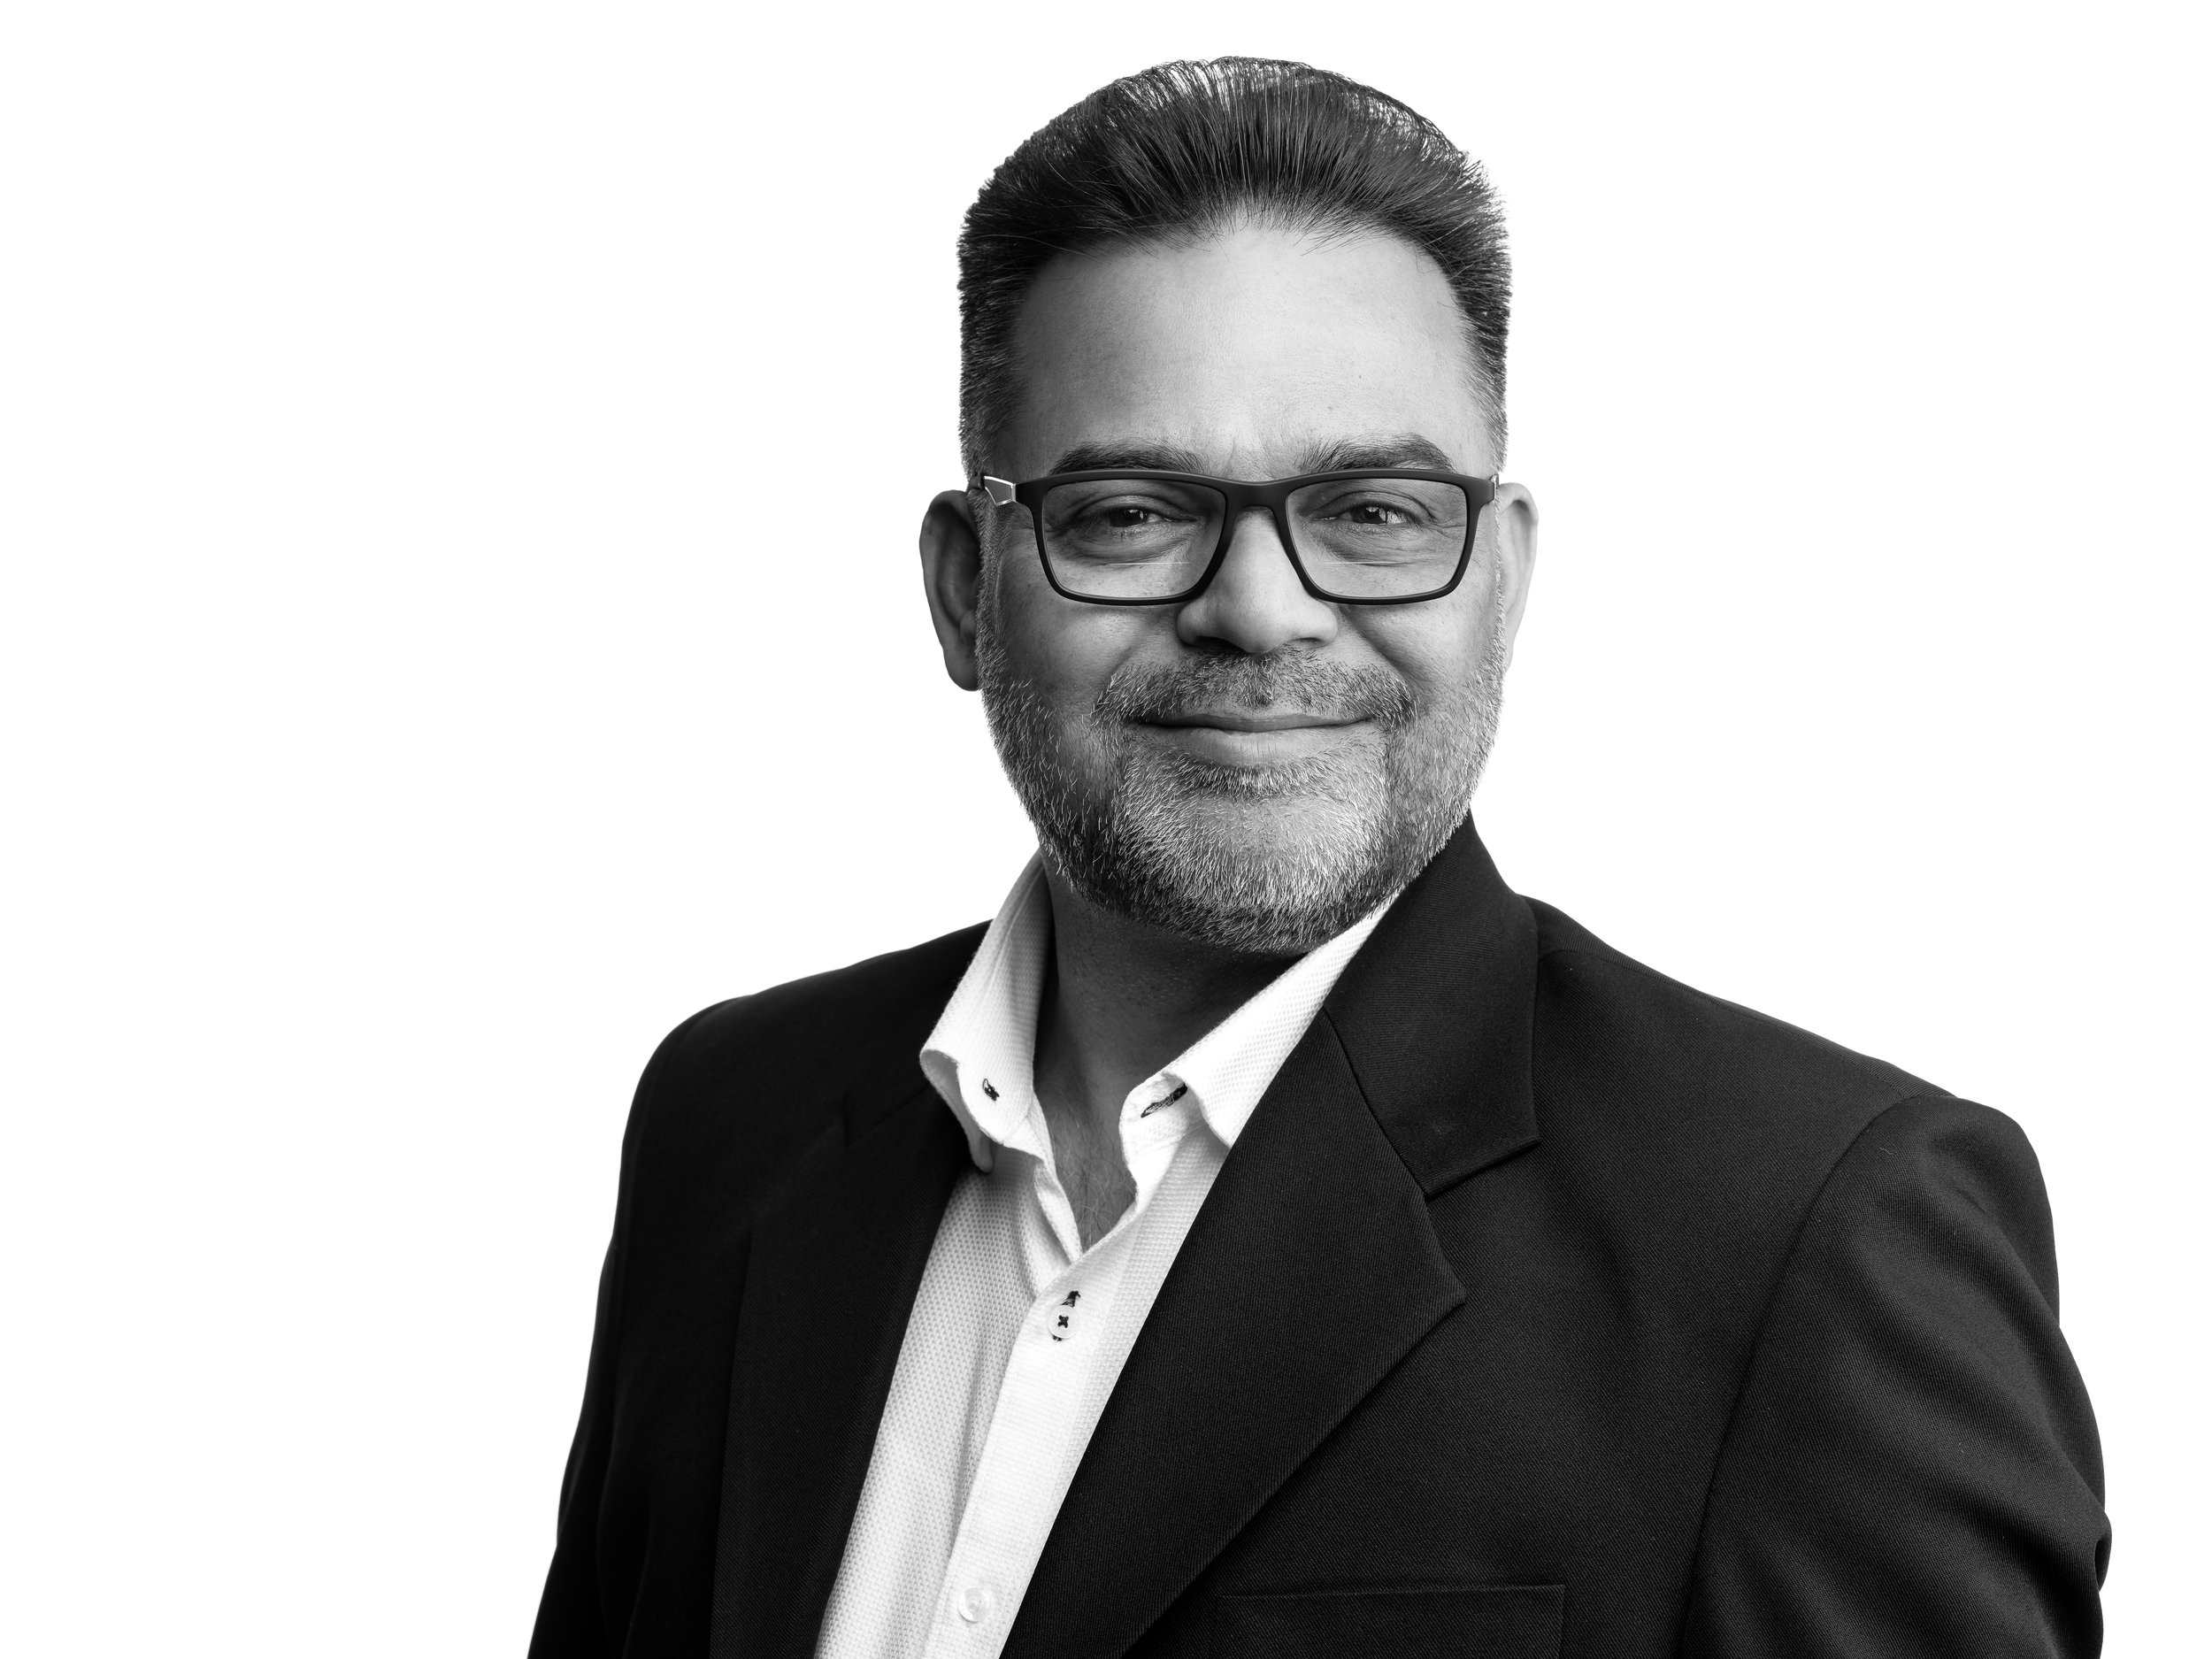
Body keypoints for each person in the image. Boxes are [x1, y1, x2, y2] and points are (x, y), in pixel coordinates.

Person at [527, 58, 2108, 1659]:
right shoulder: (731, 1128)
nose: (1263, 610)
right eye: (1133, 512)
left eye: (1372, 508)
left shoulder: (1814, 1243)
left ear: (1498, 575)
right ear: (963, 587)